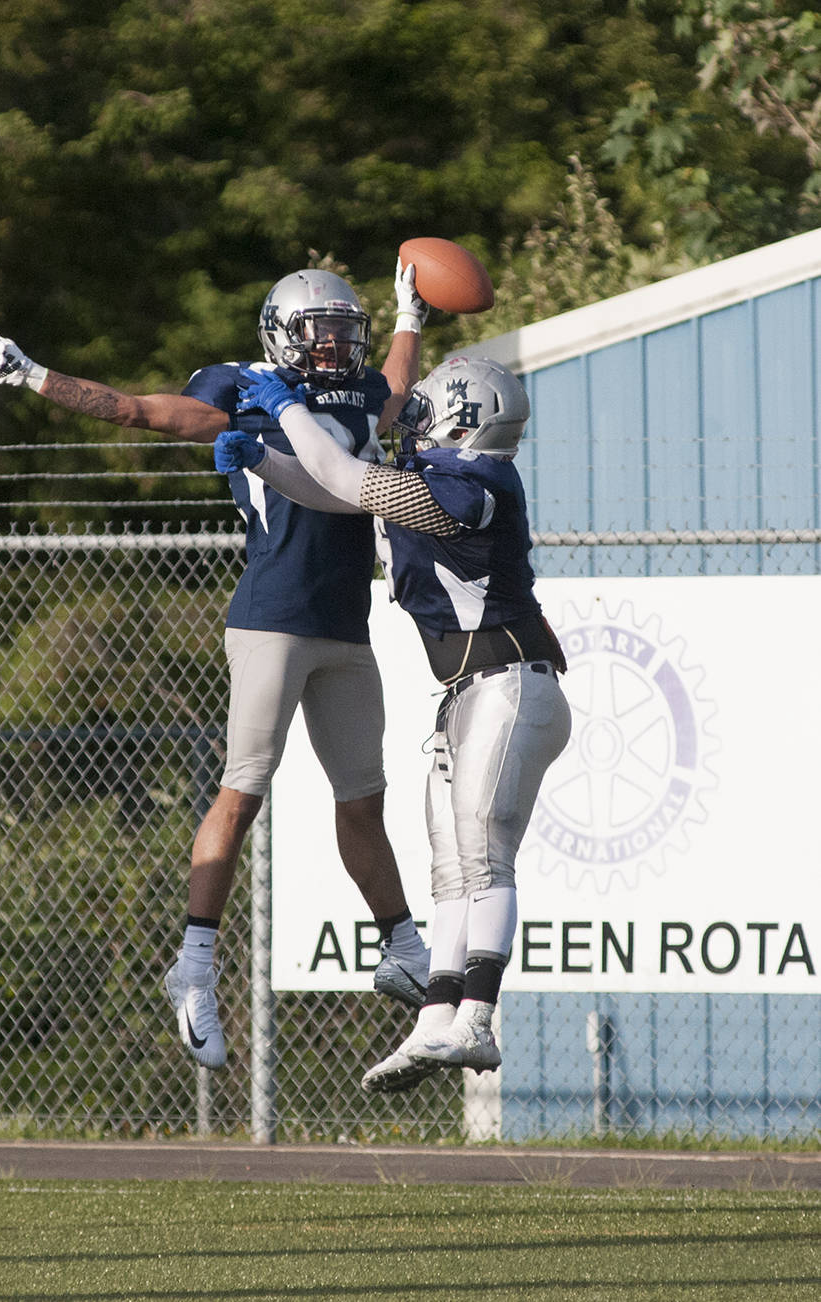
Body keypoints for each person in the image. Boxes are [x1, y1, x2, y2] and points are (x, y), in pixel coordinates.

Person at [0, 263, 431, 1071]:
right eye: (319, 330)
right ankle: (192, 969)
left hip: (344, 626)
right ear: (282, 332)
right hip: (273, 620)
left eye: (343, 330)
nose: (334, 344)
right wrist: (34, 375)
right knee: (242, 789)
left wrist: (410, 316)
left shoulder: (357, 388)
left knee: (363, 801)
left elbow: (392, 390)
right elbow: (139, 410)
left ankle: (401, 944)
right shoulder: (245, 387)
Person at [217, 352, 571, 1091]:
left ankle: (476, 1019)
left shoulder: (474, 484)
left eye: (425, 407)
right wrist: (264, 461)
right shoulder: (439, 480)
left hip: (509, 682)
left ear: (462, 414)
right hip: (469, 690)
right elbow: (336, 493)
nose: (410, 419)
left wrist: (286, 412)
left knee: (481, 857)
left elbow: (348, 478)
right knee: (448, 872)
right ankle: (435, 1022)